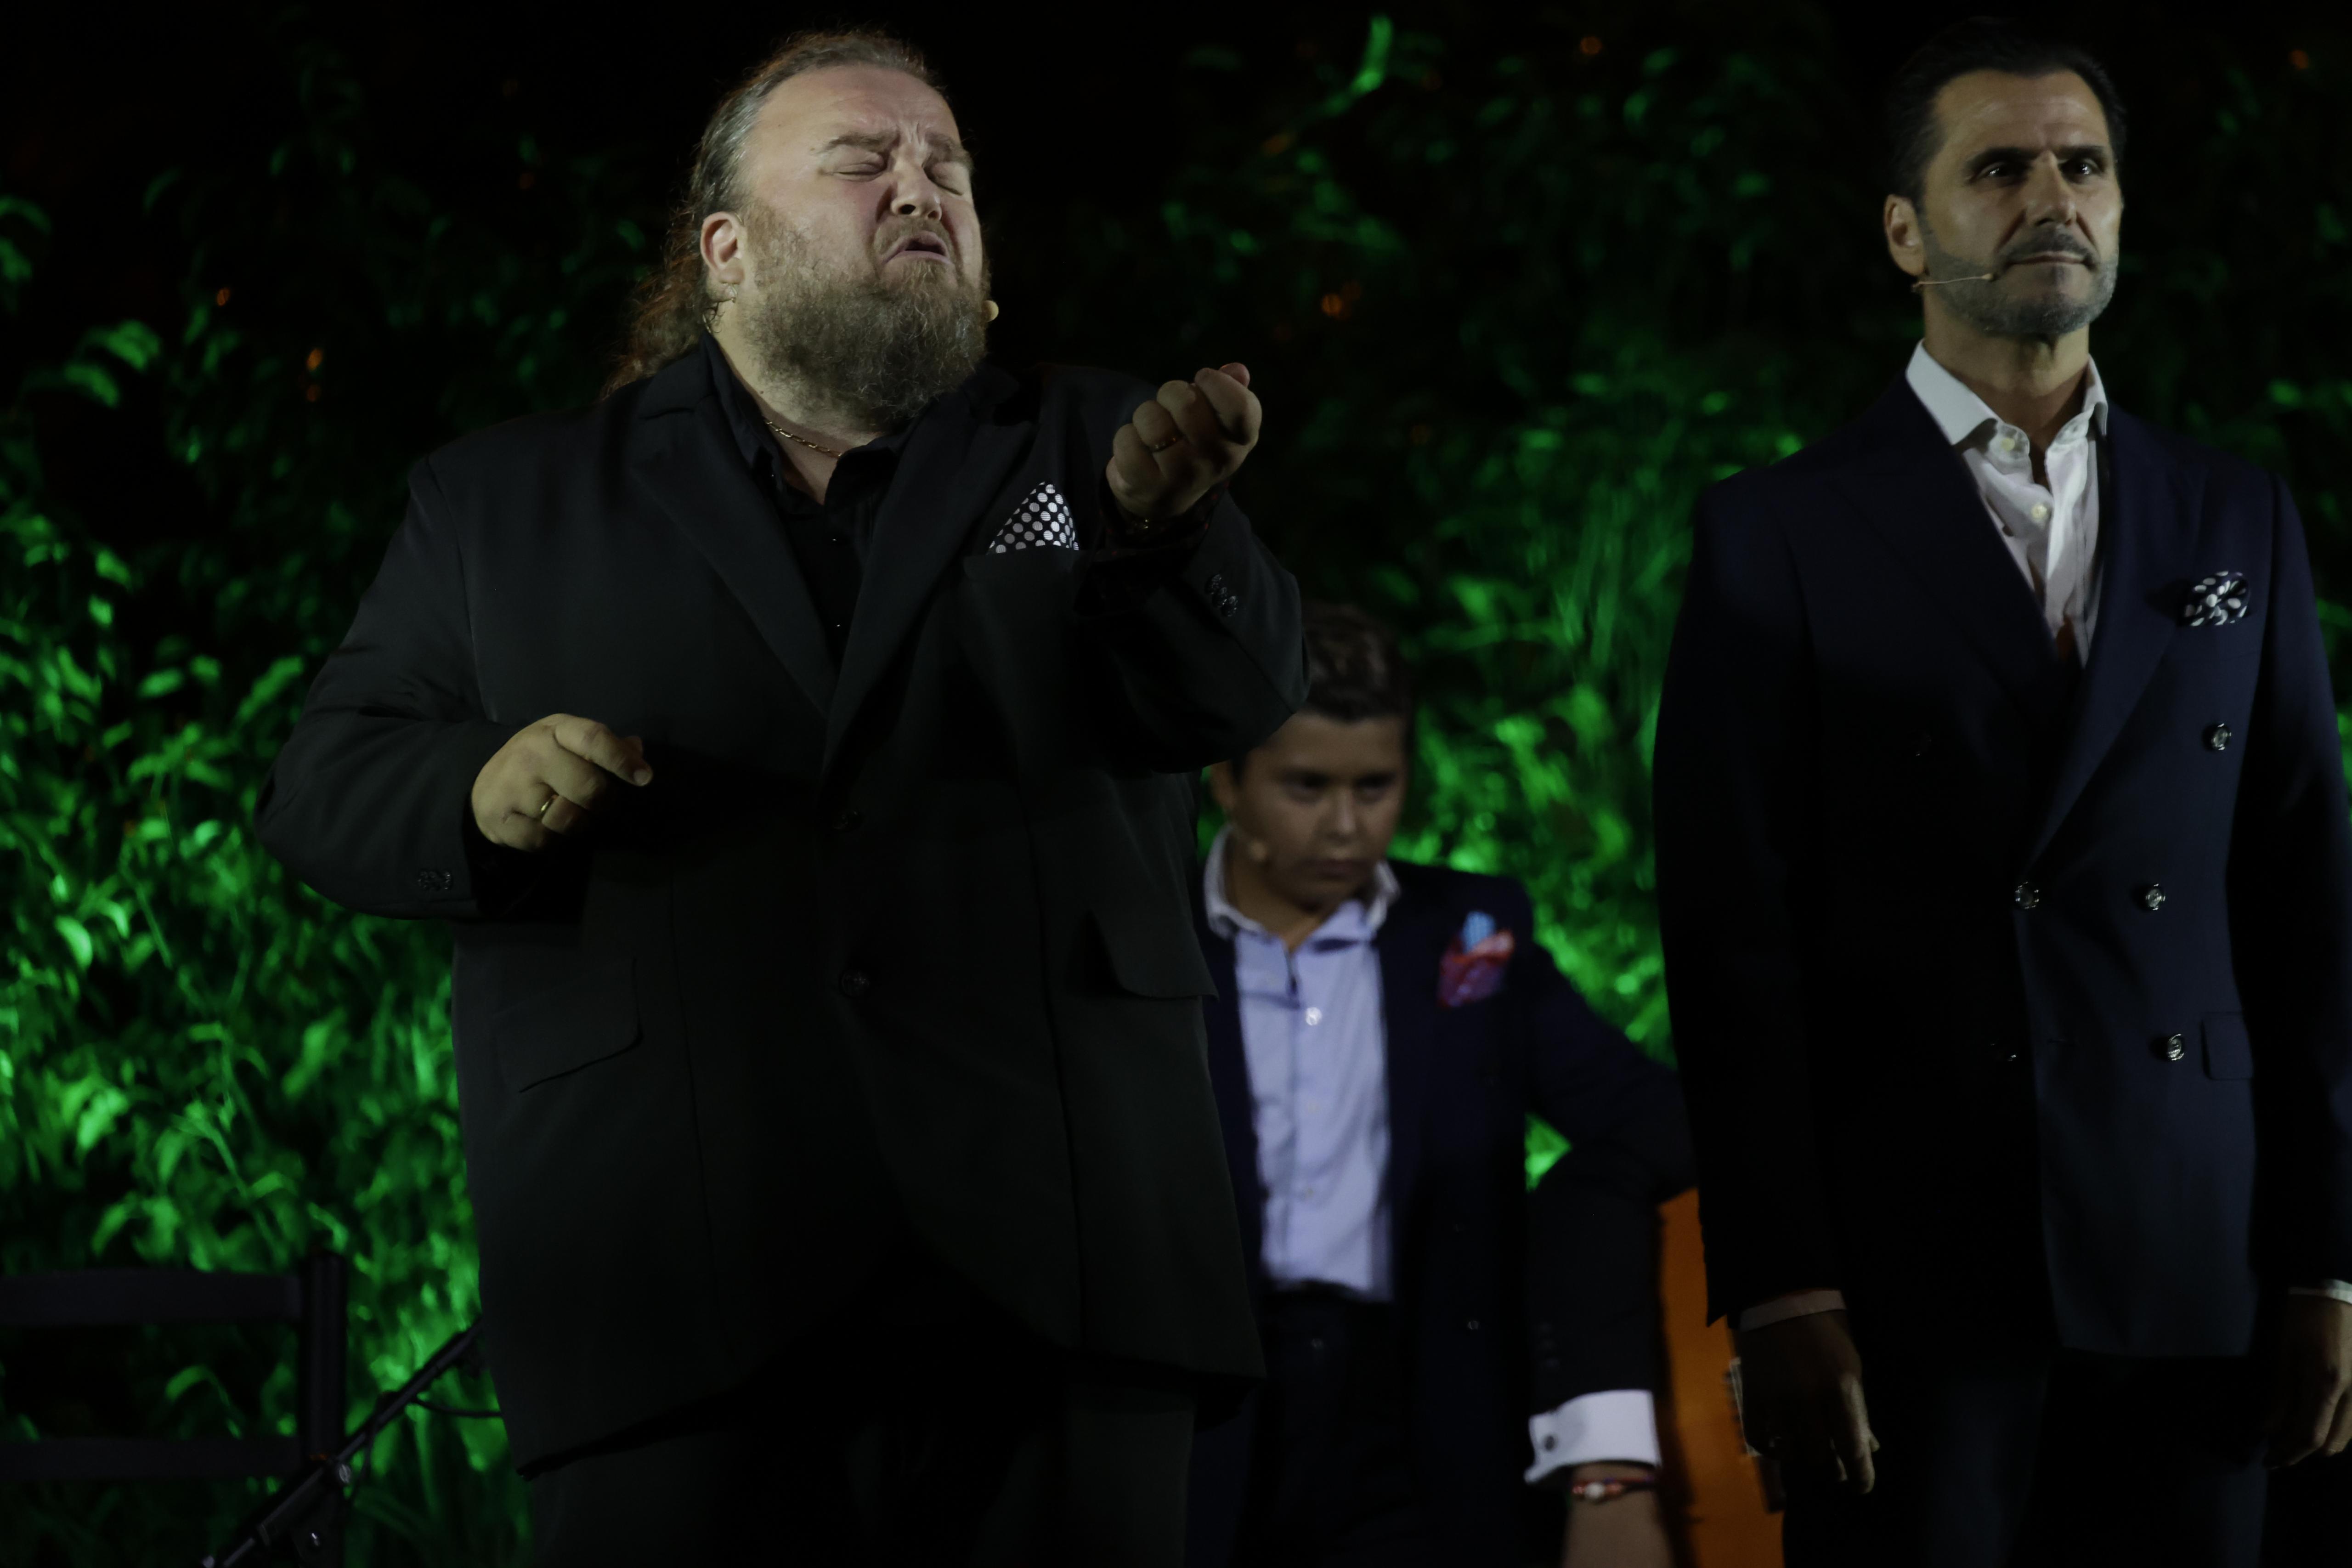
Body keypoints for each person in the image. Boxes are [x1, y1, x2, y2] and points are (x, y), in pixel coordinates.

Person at [254, 29, 1305, 1566]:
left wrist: (1159, 542)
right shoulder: (502, 503)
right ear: (727, 251)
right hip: (670, 1300)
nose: (922, 188)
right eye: (864, 161)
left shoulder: (1095, 449)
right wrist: (478, 784)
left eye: (948, 167)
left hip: (1062, 1290)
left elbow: (1244, 696)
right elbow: (321, 782)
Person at [1653, 19, 2352, 1568]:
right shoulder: (1777, 536)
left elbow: (2305, 904)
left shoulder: (2239, 512)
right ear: (1905, 230)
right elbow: (1730, 942)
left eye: (2084, 164)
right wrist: (1781, 1286)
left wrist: (2328, 1263)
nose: (2054, 195)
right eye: (2001, 167)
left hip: (2194, 1258)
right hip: (1914, 1273)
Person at [1185, 603, 1695, 1567]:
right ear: (1227, 781)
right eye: (1306, 786)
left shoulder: (1471, 936)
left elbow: (1652, 1117)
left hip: (1420, 1415)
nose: (1345, 824)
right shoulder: (1147, 945)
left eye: (1375, 786)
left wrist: (1584, 1203)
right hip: (1200, 1417)